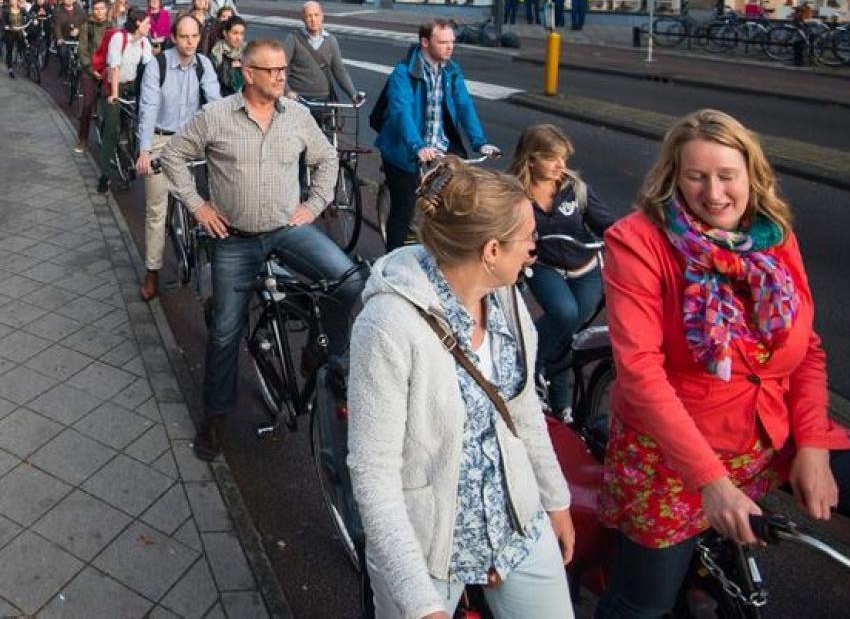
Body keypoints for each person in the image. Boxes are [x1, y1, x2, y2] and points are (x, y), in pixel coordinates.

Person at [595, 109, 850, 618]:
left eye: (727, 176)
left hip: (771, 433)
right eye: (696, 176)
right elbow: (641, 374)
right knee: (643, 603)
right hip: (675, 459)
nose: (714, 194)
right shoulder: (638, 242)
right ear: (674, 177)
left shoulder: (775, 237)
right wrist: (710, 482)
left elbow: (807, 351)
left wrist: (815, 446)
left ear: (751, 177)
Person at [348, 156, 575, 619]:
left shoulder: (507, 298)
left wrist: (555, 500)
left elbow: (524, 409)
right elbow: (374, 476)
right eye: (528, 238)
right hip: (428, 549)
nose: (535, 248)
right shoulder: (388, 325)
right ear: (491, 250)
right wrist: (420, 604)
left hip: (516, 518)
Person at [159, 38, 366, 462]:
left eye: (282, 70)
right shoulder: (215, 116)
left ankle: (317, 352)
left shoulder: (297, 116)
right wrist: (198, 206)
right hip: (232, 240)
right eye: (271, 70)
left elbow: (327, 159)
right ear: (248, 73)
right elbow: (174, 156)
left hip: (286, 230)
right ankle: (215, 419)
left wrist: (313, 205)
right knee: (224, 335)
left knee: (350, 282)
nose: (280, 76)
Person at [508, 124, 615, 421]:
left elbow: (607, 223)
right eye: (552, 158)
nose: (561, 166)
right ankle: (530, 366)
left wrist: (626, 240)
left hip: (586, 268)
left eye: (563, 158)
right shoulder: (517, 194)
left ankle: (560, 400)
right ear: (531, 159)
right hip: (545, 267)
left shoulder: (575, 189)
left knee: (570, 333)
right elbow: (509, 231)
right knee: (565, 314)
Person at [374, 18, 496, 252]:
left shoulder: (451, 71)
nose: (450, 47)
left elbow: (464, 105)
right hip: (404, 150)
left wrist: (480, 143)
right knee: (403, 209)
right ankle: (390, 264)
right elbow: (401, 111)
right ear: (425, 42)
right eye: (443, 42)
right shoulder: (403, 72)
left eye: (452, 42)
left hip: (439, 148)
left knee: (453, 205)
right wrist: (417, 146)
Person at [136, 14, 221, 301]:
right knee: (157, 212)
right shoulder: (156, 66)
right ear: (173, 37)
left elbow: (215, 105)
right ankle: (152, 272)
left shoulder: (204, 65)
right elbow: (147, 108)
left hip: (191, 141)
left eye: (195, 36)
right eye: (184, 36)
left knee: (206, 204)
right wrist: (145, 150)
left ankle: (208, 268)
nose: (190, 42)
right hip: (160, 140)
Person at [98, 8, 153, 193]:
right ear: (137, 23)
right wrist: (114, 94)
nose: (150, 26)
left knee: (136, 124)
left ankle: (128, 153)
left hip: (132, 86)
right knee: (111, 130)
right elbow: (114, 67)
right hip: (115, 86)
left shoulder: (145, 42)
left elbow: (150, 67)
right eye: (147, 23)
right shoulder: (119, 39)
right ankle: (104, 176)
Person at [282, 1, 363, 103]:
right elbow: (281, 67)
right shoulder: (293, 39)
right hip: (299, 99)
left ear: (322, 16)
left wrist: (353, 94)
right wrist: (287, 91)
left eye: (316, 15)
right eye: (309, 16)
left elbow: (340, 71)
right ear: (303, 19)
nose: (313, 20)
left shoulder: (330, 40)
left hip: (324, 98)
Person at [74, 0, 112, 154]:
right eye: (96, 9)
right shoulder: (86, 27)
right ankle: (82, 139)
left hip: (107, 70)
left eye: (102, 8)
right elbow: (82, 51)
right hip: (90, 72)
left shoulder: (112, 26)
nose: (99, 12)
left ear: (107, 9)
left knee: (113, 104)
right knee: (88, 105)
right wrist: (91, 70)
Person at [209, 14, 246, 95]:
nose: (238, 38)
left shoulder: (248, 53)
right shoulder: (216, 54)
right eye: (235, 33)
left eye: (241, 33)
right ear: (225, 33)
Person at [53, 0, 86, 75]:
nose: (69, 0)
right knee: (63, 53)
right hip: (64, 38)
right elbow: (57, 26)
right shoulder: (58, 10)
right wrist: (59, 38)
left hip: (78, 38)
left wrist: (78, 30)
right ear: (62, 0)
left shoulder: (79, 9)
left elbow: (84, 22)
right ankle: (64, 69)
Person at [2, 0, 30, 78]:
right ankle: (10, 68)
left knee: (25, 46)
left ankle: (25, 62)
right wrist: (6, 26)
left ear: (17, 0)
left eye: (13, 0)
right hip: (10, 32)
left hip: (20, 31)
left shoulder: (22, 9)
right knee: (9, 50)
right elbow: (3, 22)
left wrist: (33, 18)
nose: (12, 1)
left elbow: (28, 16)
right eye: (10, 0)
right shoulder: (6, 11)